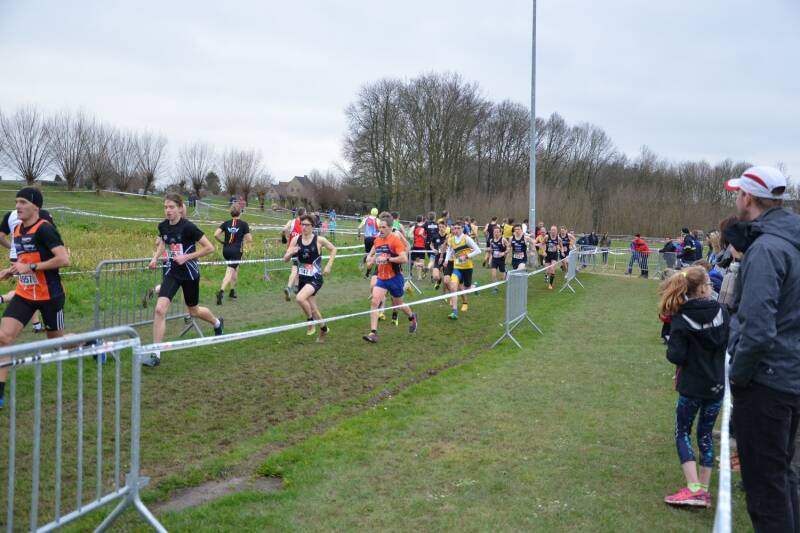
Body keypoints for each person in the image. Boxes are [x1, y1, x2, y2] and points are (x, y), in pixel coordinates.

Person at [724, 166, 800, 532]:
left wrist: (738, 376)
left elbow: (757, 327)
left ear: (748, 198)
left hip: (767, 383)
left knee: (767, 491)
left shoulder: (768, 249)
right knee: (782, 478)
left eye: (738, 193)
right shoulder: (787, 242)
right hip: (787, 377)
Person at [660, 266, 729, 508]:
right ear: (701, 288)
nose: (712, 287)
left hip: (692, 387)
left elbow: (676, 355)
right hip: (716, 385)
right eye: (709, 284)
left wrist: (673, 342)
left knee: (683, 433)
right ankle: (702, 489)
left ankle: (695, 489)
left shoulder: (681, 317)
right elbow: (726, 341)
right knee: (705, 435)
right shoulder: (722, 312)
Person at [0, 188, 70, 410]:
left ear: (35, 207)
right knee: (3, 338)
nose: (18, 206)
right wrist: (13, 270)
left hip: (50, 296)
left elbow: (63, 259)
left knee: (57, 344)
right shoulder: (19, 229)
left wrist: (29, 266)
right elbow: (26, 260)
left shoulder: (45, 230)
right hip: (24, 294)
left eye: (22, 202)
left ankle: (92, 342)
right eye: (16, 202)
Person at [146, 193, 223, 367]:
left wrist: (187, 257)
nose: (168, 210)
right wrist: (154, 258)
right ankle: (155, 354)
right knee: (159, 310)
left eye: (171, 207)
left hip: (189, 274)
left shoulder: (189, 227)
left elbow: (209, 248)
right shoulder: (163, 226)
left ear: (180, 208)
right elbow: (162, 243)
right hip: (172, 273)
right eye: (166, 207)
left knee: (194, 311)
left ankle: (217, 323)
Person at [0, 205, 57, 332]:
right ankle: (3, 298)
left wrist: (13, 248)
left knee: (28, 289)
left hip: (16, 257)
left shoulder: (10, 214)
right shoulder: (42, 213)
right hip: (34, 259)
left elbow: (1, 236)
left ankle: (36, 324)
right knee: (32, 290)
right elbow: (53, 235)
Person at [362, 216, 417, 343]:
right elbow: (371, 256)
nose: (380, 229)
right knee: (375, 301)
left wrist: (388, 259)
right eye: (379, 227)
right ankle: (373, 333)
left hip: (395, 278)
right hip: (382, 277)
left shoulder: (395, 240)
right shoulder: (377, 241)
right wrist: (369, 261)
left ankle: (412, 317)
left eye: (383, 227)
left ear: (390, 228)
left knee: (398, 304)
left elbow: (403, 258)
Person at [283, 215, 336, 342]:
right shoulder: (296, 239)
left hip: (315, 278)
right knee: (313, 308)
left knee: (300, 298)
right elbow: (285, 259)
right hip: (303, 279)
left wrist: (329, 265)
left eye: (307, 225)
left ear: (312, 226)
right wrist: (291, 252)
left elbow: (333, 249)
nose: (304, 227)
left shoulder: (319, 240)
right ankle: (324, 329)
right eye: (302, 224)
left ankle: (310, 321)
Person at [214, 205, 252, 305]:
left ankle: (232, 291)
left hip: (226, 250)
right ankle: (221, 292)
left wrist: (222, 242)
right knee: (230, 271)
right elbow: (249, 239)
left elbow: (215, 234)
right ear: (240, 212)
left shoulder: (226, 223)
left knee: (235, 268)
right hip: (236, 251)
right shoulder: (244, 224)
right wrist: (245, 234)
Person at [445, 219, 481, 319]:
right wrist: (446, 260)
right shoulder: (451, 239)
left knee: (466, 290)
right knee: (453, 288)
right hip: (457, 267)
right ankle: (455, 312)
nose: (455, 230)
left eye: (458, 228)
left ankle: (475, 286)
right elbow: (449, 250)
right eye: (454, 228)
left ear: (462, 229)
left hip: (467, 267)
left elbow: (478, 250)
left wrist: (467, 256)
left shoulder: (467, 239)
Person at [282, 207, 306, 301]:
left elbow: (284, 229)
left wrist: (284, 237)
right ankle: (291, 287)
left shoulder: (291, 221)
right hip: (301, 249)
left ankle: (295, 287)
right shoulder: (305, 224)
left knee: (296, 268)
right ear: (303, 214)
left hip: (291, 249)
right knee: (297, 269)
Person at [486, 225, 509, 294]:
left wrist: (504, 253)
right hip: (494, 259)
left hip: (501, 260)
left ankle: (506, 272)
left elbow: (508, 248)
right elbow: (491, 249)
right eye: (494, 232)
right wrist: (489, 250)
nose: (496, 233)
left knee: (503, 278)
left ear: (500, 233)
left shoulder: (503, 239)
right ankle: (495, 288)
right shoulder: (491, 240)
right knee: (493, 275)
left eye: (497, 232)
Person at [359, 208, 380, 277]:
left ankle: (362, 263)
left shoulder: (365, 219)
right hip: (375, 239)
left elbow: (359, 228)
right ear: (377, 213)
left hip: (367, 239)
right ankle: (368, 273)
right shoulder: (377, 220)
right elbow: (380, 230)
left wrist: (359, 235)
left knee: (368, 253)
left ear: (371, 212)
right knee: (374, 255)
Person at [539, 225, 560, 289]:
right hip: (548, 255)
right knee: (547, 271)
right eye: (552, 230)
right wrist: (544, 252)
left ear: (556, 231)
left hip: (554, 255)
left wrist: (560, 249)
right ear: (550, 231)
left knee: (552, 269)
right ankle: (546, 275)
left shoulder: (558, 238)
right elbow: (541, 244)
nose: (553, 231)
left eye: (554, 230)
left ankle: (550, 284)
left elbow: (561, 246)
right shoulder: (547, 237)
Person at [410, 215, 427, 280]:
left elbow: (410, 234)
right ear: (422, 219)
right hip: (422, 246)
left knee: (416, 261)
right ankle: (421, 274)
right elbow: (426, 235)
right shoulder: (424, 227)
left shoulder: (414, 226)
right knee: (421, 261)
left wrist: (413, 238)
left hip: (415, 246)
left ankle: (419, 275)